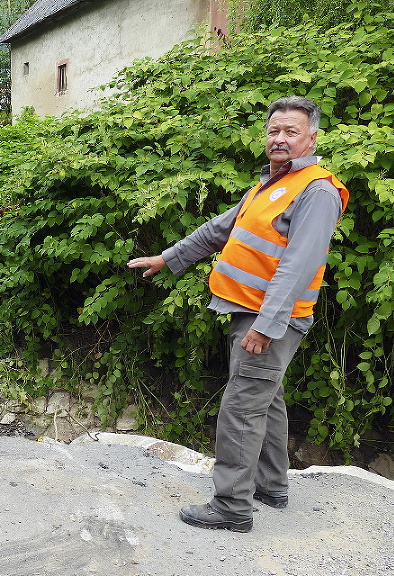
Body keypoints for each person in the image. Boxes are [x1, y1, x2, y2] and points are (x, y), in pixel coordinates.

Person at [127, 96, 348, 533]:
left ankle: (231, 506)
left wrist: (267, 326)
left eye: (291, 132)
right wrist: (168, 258)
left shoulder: (318, 191)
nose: (279, 139)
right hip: (250, 312)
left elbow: (299, 265)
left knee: (242, 407)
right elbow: (219, 230)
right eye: (274, 131)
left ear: (312, 138)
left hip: (269, 318)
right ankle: (271, 486)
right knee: (266, 397)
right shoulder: (271, 186)